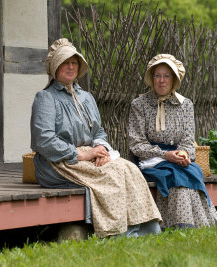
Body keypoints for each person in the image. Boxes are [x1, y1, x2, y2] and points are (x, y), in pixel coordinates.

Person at [30, 38, 162, 238]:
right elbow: (44, 140)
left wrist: (101, 149)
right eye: (65, 62)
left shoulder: (86, 97)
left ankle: (145, 229)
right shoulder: (46, 98)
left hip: (89, 155)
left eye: (74, 62)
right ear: (55, 66)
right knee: (111, 176)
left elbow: (98, 132)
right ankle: (119, 232)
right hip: (57, 161)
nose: (71, 66)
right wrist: (82, 155)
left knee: (129, 169)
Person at [128, 54, 217, 229]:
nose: (161, 81)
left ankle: (192, 224)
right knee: (174, 174)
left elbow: (187, 140)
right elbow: (136, 144)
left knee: (192, 170)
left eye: (166, 76)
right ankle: (181, 225)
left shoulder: (185, 105)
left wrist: (184, 154)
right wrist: (165, 155)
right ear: (151, 78)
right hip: (150, 160)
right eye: (157, 75)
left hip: (177, 157)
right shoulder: (139, 104)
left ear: (174, 80)